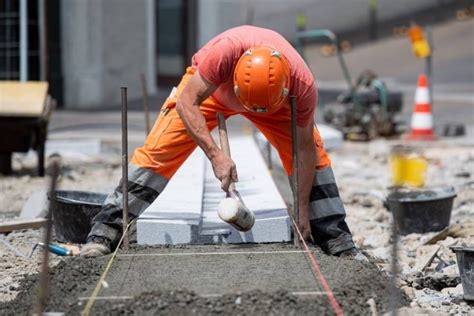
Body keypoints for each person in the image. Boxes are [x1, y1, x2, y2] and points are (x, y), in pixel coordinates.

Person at [81, 25, 361, 259]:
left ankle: (333, 235)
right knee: (158, 152)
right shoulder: (222, 54)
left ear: (286, 88)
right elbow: (187, 103)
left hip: (279, 107)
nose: (248, 114)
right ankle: (106, 230)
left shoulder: (302, 86)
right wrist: (216, 156)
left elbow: (302, 149)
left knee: (315, 154)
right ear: (236, 81)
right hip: (211, 95)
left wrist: (301, 211)